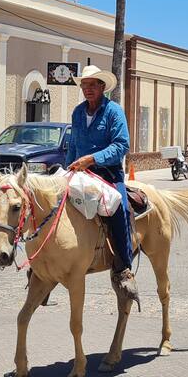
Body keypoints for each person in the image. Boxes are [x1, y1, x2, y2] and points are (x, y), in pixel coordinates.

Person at [65, 65, 137, 305]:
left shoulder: (114, 112)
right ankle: (46, 265)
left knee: (121, 209)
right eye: (85, 85)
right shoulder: (77, 113)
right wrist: (67, 171)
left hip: (108, 174)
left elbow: (121, 146)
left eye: (93, 85)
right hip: (80, 174)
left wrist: (93, 159)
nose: (88, 89)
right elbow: (73, 145)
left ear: (103, 87)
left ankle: (124, 269)